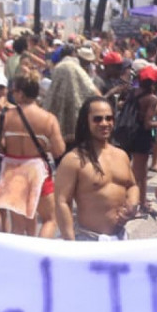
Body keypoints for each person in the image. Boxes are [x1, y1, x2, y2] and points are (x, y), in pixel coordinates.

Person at [0, 70, 65, 236]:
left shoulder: (5, 117)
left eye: (14, 91)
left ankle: (19, 259)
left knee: (18, 225)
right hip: (37, 171)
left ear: (21, 93)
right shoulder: (48, 119)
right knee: (49, 219)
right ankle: (38, 254)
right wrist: (44, 146)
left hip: (11, 170)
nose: (12, 94)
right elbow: (59, 150)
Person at [54, 97, 139, 241]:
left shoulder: (121, 155)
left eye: (109, 118)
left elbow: (132, 185)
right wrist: (70, 242)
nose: (104, 123)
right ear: (85, 122)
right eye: (97, 119)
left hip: (120, 238)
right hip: (89, 239)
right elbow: (62, 202)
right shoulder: (73, 160)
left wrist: (132, 203)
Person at [121, 65, 157, 216]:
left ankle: (138, 201)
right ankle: (138, 203)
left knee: (137, 171)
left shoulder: (133, 92)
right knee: (139, 174)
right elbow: (148, 123)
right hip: (142, 136)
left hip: (129, 134)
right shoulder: (151, 98)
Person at [45, 45, 100, 144]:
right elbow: (93, 92)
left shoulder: (58, 68)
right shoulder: (76, 68)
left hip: (58, 128)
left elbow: (50, 97)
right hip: (77, 125)